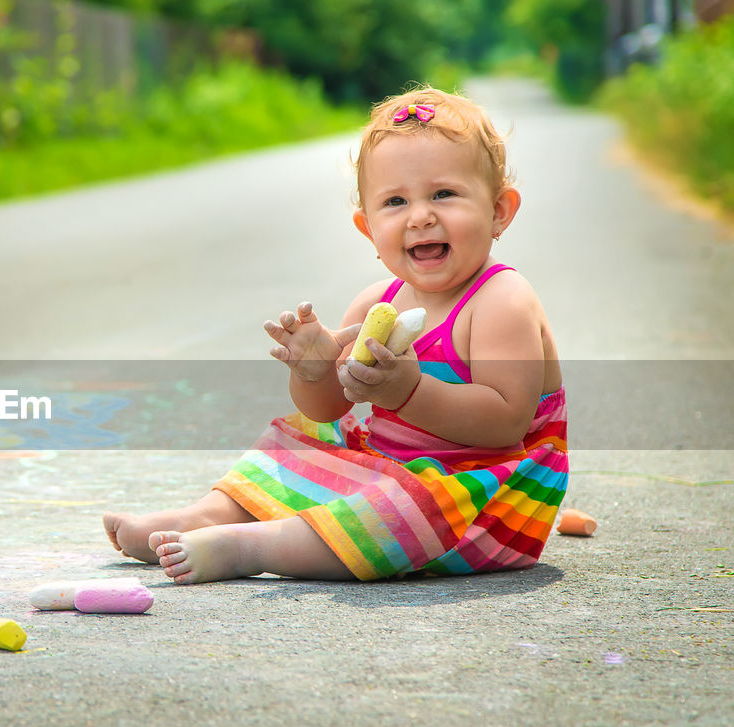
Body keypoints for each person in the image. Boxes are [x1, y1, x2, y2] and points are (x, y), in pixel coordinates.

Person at [103, 86, 568, 585]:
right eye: (395, 201)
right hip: (396, 470)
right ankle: (206, 516)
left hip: (485, 498)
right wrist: (315, 373)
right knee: (300, 436)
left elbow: (505, 423)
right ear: (368, 229)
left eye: (444, 194)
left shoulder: (500, 300)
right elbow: (330, 407)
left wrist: (408, 393)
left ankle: (251, 547)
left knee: (399, 512)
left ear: (499, 210)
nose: (420, 215)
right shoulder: (377, 304)